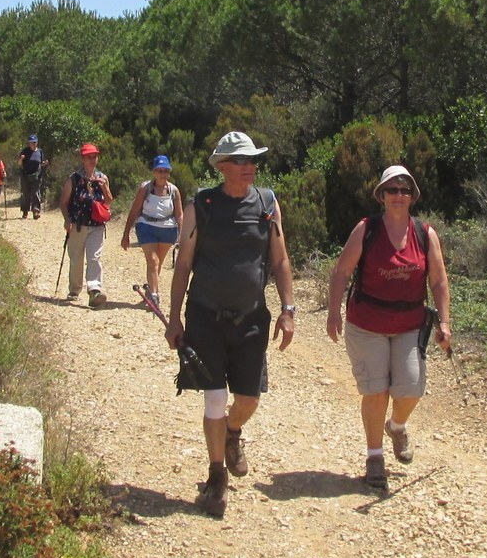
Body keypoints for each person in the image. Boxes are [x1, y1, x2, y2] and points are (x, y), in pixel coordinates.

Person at [167, 131, 295, 519]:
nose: (249, 166)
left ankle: (232, 432)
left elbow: (280, 259)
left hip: (251, 318)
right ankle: (216, 474)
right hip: (205, 316)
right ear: (222, 166)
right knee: (214, 397)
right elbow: (184, 264)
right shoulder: (201, 205)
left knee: (249, 400)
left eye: (253, 159)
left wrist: (288, 309)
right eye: (241, 161)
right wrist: (174, 318)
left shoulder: (268, 203)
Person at [325, 165, 452, 489]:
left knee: (411, 388)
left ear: (413, 197)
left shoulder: (425, 234)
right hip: (367, 324)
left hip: (409, 324)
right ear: (381, 195)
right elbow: (341, 272)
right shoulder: (366, 229)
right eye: (392, 190)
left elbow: (438, 281)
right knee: (376, 390)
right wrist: (333, 312)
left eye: (404, 190)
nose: (398, 195)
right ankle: (374, 457)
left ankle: (396, 426)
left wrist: (445, 321)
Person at [121, 155, 184, 306]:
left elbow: (179, 214)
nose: (163, 174)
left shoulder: (173, 191)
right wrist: (126, 234)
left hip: (168, 229)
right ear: (154, 172)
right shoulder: (145, 188)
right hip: (146, 227)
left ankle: (151, 291)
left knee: (157, 263)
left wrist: (182, 236)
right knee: (153, 261)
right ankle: (155, 295)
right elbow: (135, 210)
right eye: (160, 170)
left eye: (165, 171)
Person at [59, 143, 113, 308]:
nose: (92, 159)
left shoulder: (102, 177)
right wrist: (67, 220)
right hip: (78, 225)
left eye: (95, 156)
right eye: (89, 157)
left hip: (97, 225)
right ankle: (75, 289)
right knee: (76, 259)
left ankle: (94, 290)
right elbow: (63, 201)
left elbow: (109, 201)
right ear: (82, 159)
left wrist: (104, 187)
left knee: (94, 258)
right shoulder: (74, 179)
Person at [17, 135, 49, 219]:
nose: (33, 144)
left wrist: (44, 163)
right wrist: (21, 159)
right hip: (26, 175)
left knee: (35, 193)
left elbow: (40, 163)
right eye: (31, 142)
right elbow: (19, 164)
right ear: (29, 143)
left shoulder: (40, 151)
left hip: (36, 176)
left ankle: (36, 211)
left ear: (37, 142)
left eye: (34, 142)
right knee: (26, 193)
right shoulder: (25, 151)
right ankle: (25, 211)